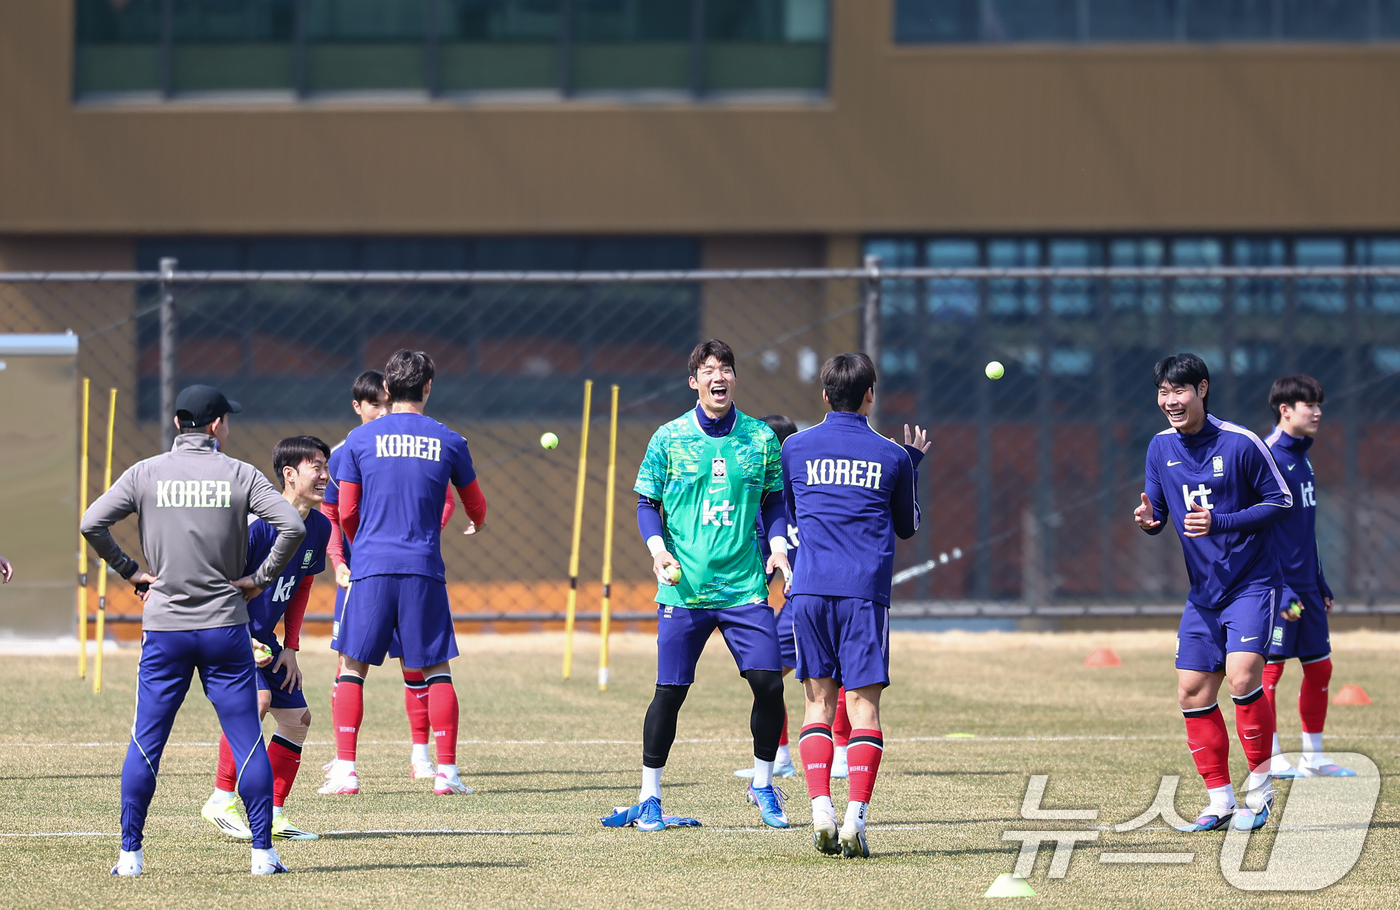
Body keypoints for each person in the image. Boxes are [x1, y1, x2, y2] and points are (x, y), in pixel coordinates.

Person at [80, 385, 305, 876]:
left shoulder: (146, 472)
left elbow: (91, 521)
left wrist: (129, 570)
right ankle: (263, 855)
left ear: (180, 424)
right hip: (226, 626)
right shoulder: (241, 473)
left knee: (146, 740)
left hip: (165, 628)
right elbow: (293, 526)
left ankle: (130, 856)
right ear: (217, 425)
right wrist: (258, 579)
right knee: (246, 737)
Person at [603, 340, 792, 833]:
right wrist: (657, 550)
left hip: (746, 586)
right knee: (670, 692)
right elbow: (647, 503)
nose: (718, 377)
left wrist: (777, 545)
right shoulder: (669, 438)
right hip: (684, 589)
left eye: (726, 369)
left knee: (769, 685)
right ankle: (649, 797)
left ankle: (764, 783)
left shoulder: (760, 438)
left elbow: (774, 502)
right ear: (694, 381)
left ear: (733, 378)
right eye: (708, 370)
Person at [1133, 353, 1293, 833]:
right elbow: (1157, 511)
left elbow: (1280, 501)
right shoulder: (1160, 447)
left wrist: (1221, 521)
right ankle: (1220, 801)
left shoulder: (1240, 443)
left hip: (1253, 584)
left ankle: (1260, 795)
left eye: (1179, 391)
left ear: (1201, 389)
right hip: (1204, 592)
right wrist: (1149, 522)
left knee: (1244, 679)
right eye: (1163, 392)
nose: (1170, 401)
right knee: (1192, 692)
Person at [322, 351, 488, 798]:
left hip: (371, 569)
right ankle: (447, 773)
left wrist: (364, 547)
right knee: (436, 669)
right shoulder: (449, 440)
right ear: (429, 388)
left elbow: (347, 510)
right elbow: (475, 503)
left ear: (388, 391)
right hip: (423, 569)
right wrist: (476, 520)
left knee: (352, 669)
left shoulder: (358, 442)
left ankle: (346, 771)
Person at [784, 353, 928, 859]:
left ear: (824, 395)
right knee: (863, 708)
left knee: (816, 705)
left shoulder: (795, 448)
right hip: (864, 594)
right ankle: (854, 820)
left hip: (809, 590)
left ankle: (820, 806)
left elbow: (796, 510)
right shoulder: (892, 455)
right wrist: (914, 465)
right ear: (871, 394)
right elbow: (907, 526)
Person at [202, 436, 333, 841]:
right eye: (317, 467)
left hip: (266, 640)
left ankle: (274, 814)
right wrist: (243, 638)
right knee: (256, 701)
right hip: (226, 630)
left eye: (326, 466)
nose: (326, 475)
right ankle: (220, 800)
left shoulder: (320, 526)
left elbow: (302, 587)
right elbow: (219, 586)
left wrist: (290, 648)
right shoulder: (256, 525)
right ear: (290, 475)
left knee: (297, 720)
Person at [1262, 375, 1354, 778]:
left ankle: (1314, 758)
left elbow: (1304, 530)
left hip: (1306, 587)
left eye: (1319, 404)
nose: (1317, 412)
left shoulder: (1303, 459)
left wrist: (1320, 581)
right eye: (1309, 405)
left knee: (1320, 668)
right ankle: (1271, 757)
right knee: (1270, 671)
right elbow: (1258, 532)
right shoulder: (1265, 457)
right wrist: (1278, 588)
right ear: (1285, 410)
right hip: (1279, 588)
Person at [734, 414, 801, 781]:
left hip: (815, 595)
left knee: (836, 674)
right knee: (769, 674)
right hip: (795, 602)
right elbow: (762, 558)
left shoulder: (809, 488)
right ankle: (781, 756)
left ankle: (838, 752)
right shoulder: (761, 499)